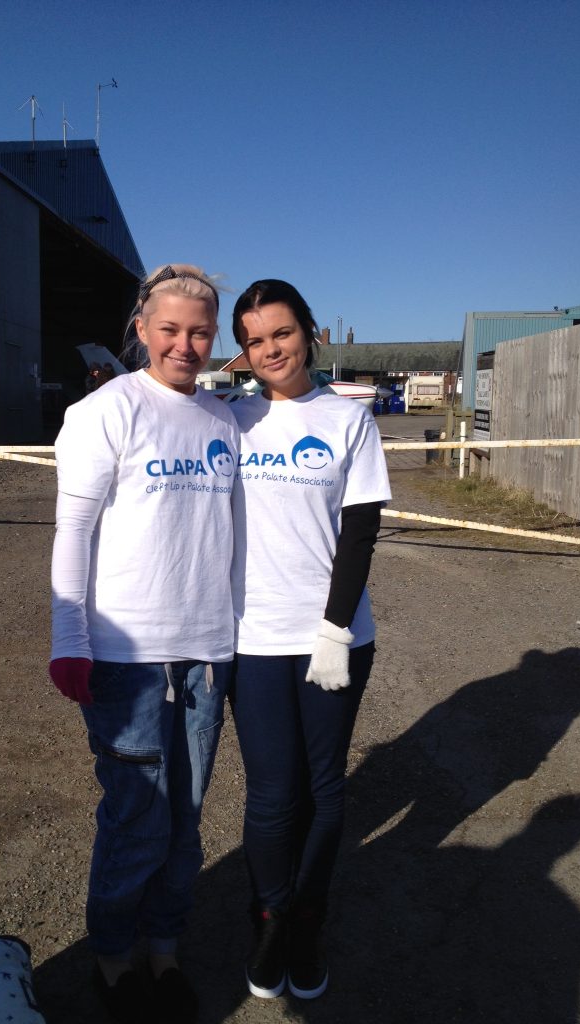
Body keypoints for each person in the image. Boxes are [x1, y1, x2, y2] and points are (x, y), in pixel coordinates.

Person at [49, 264, 239, 1024]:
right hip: (128, 655)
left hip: (208, 650)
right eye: (170, 329)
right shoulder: (106, 410)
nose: (184, 345)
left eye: (199, 331)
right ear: (141, 326)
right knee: (136, 815)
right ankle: (113, 961)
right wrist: (69, 636)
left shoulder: (225, 419)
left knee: (187, 815)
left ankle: (164, 950)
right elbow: (74, 529)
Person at [228, 279, 391, 1001]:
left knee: (324, 789)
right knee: (271, 794)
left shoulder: (348, 420)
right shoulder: (229, 421)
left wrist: (332, 629)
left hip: (334, 638)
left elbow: (360, 533)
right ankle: (269, 918)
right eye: (256, 340)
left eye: (282, 334)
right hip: (254, 637)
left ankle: (307, 923)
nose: (271, 351)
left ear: (311, 333)